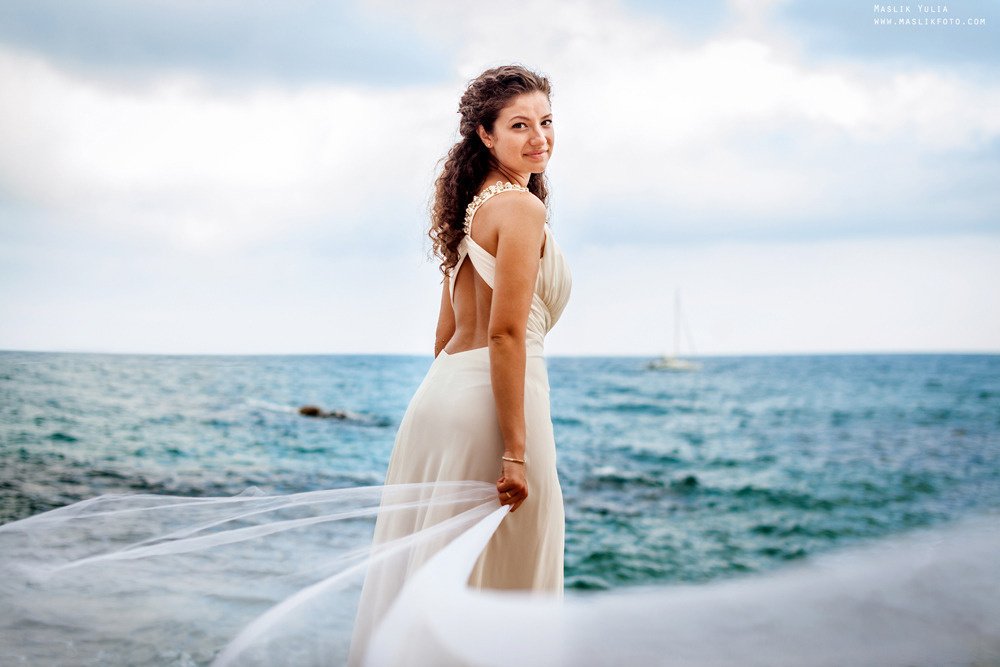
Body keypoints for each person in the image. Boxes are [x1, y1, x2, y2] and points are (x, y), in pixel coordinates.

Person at [349, 64, 572, 662]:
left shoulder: (471, 211)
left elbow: (446, 332)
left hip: (442, 397)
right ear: (485, 135)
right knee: (508, 584)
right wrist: (514, 450)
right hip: (498, 404)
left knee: (439, 581)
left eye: (546, 122)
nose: (539, 138)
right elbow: (505, 335)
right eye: (519, 125)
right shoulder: (521, 211)